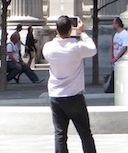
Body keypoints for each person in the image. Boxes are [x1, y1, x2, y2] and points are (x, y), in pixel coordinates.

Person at [43, 15, 97, 153]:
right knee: (85, 133)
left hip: (56, 96)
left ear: (56, 29)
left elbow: (55, 44)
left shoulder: (48, 48)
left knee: (60, 134)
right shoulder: (77, 47)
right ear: (70, 29)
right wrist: (82, 32)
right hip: (74, 96)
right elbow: (92, 49)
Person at [104, 17, 128, 94]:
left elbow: (125, 47)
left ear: (117, 24)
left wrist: (116, 58)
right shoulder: (116, 35)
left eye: (113, 23)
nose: (112, 25)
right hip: (116, 62)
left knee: (114, 81)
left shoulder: (125, 34)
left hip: (121, 61)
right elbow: (114, 48)